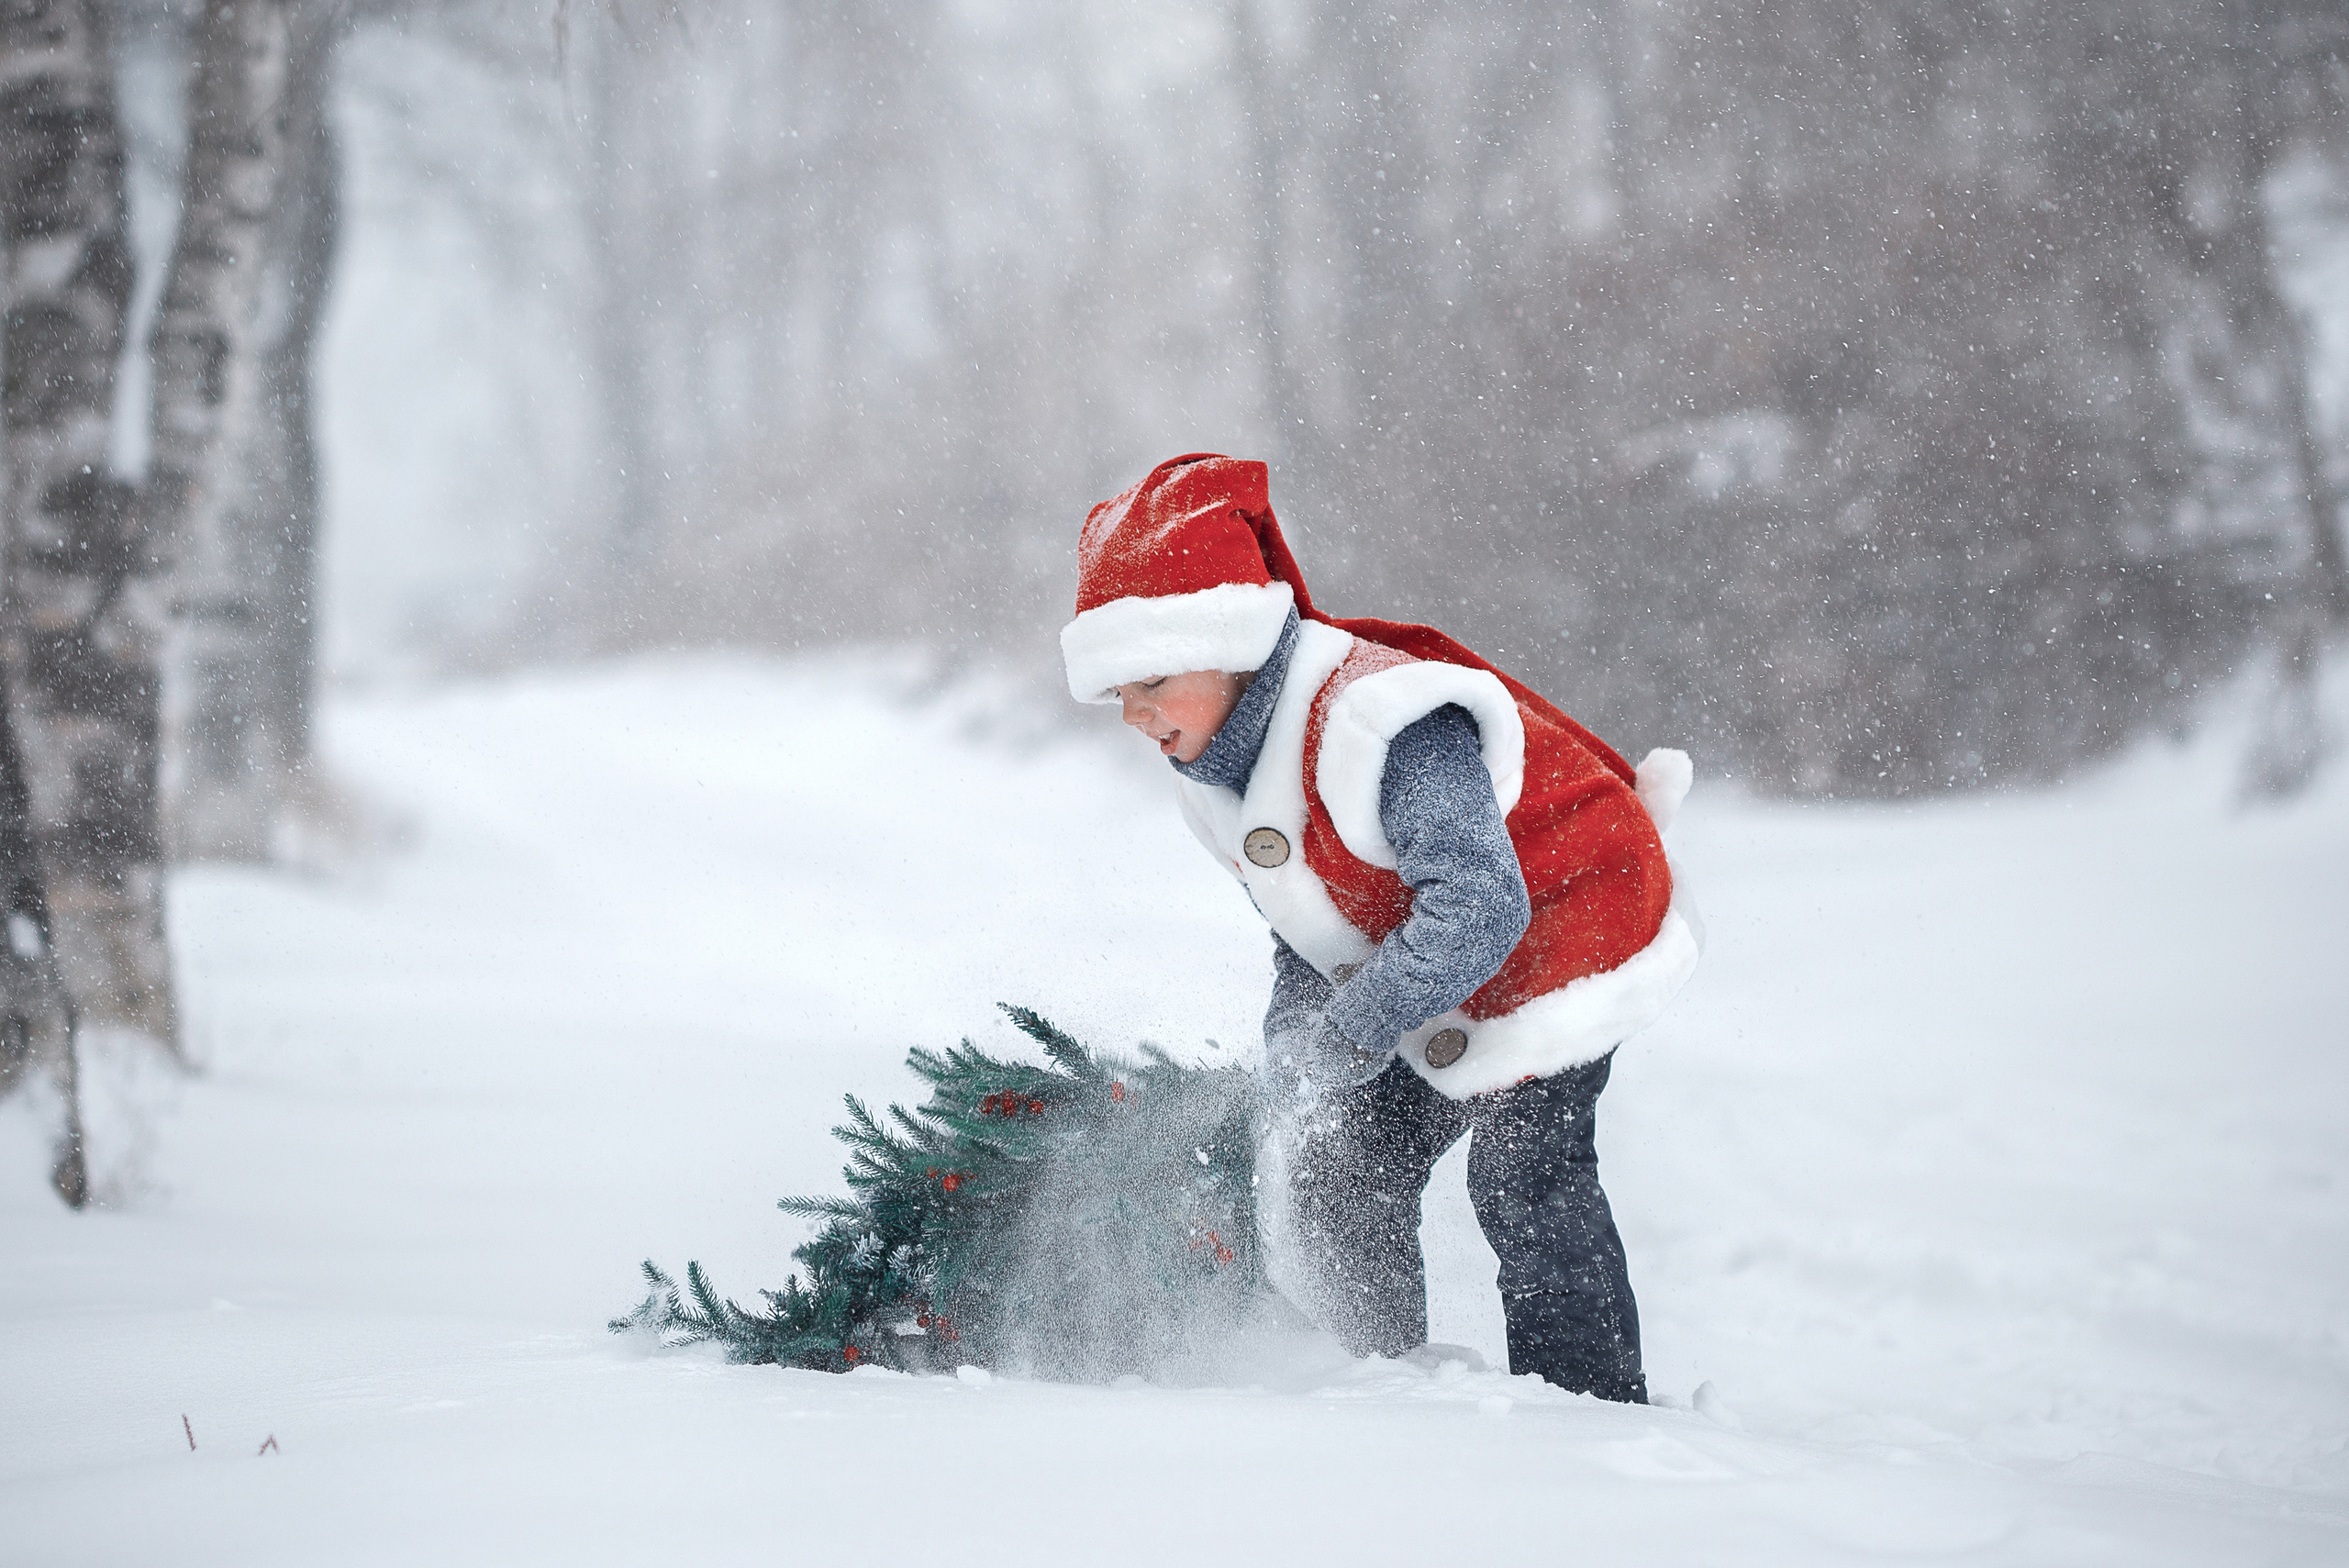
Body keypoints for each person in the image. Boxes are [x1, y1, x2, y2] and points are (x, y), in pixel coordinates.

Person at [1059, 453, 1698, 1402]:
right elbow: (1312, 931)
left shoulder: (1382, 724)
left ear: (1235, 647)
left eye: (1152, 676)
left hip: (1565, 919)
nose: (1134, 712)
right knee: (1347, 1163)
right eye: (1116, 692)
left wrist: (1351, 1031)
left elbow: (1482, 904)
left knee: (1524, 1173)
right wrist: (1297, 1047)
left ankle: (1589, 1412)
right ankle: (1378, 1387)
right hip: (1439, 952)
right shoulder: (1223, 776)